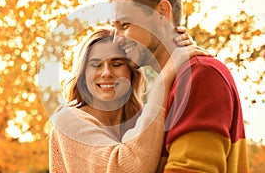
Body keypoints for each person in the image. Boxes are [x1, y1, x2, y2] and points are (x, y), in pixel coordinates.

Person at [108, 0, 249, 172]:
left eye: (125, 25)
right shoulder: (169, 86)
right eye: (114, 28)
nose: (116, 40)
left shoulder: (199, 75)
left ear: (162, 13)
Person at [49, 28, 210, 172]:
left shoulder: (145, 124)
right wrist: (163, 80)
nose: (106, 73)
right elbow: (123, 167)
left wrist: (179, 53)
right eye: (96, 65)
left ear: (132, 73)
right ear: (83, 76)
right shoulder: (68, 123)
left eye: (117, 64)